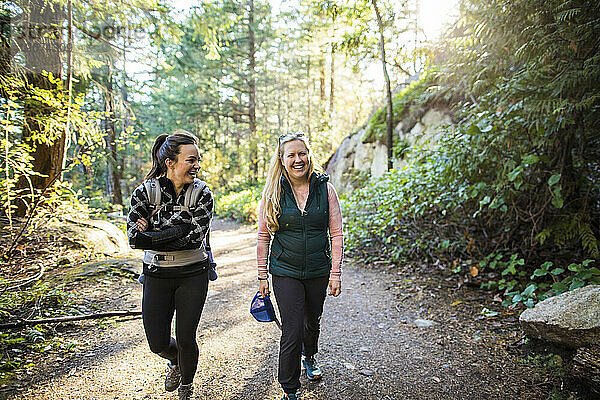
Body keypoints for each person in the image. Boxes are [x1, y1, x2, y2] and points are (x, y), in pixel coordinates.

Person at [126, 130, 213, 400]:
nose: (197, 165)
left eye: (198, 160)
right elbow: (133, 238)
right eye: (191, 160)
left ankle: (186, 386)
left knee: (186, 337)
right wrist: (178, 228)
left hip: (193, 273)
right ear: (170, 162)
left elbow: (194, 239)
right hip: (156, 274)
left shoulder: (202, 193)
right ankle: (175, 360)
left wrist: (151, 233)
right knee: (157, 342)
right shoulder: (145, 192)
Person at [257, 132, 343, 400]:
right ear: (282, 160)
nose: (298, 159)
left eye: (302, 153)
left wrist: (335, 273)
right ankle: (289, 388)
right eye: (291, 155)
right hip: (285, 270)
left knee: (311, 322)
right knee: (292, 328)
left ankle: (310, 356)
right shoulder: (273, 191)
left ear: (309, 155)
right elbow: (263, 236)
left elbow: (337, 233)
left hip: (318, 270)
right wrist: (262, 275)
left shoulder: (325, 188)